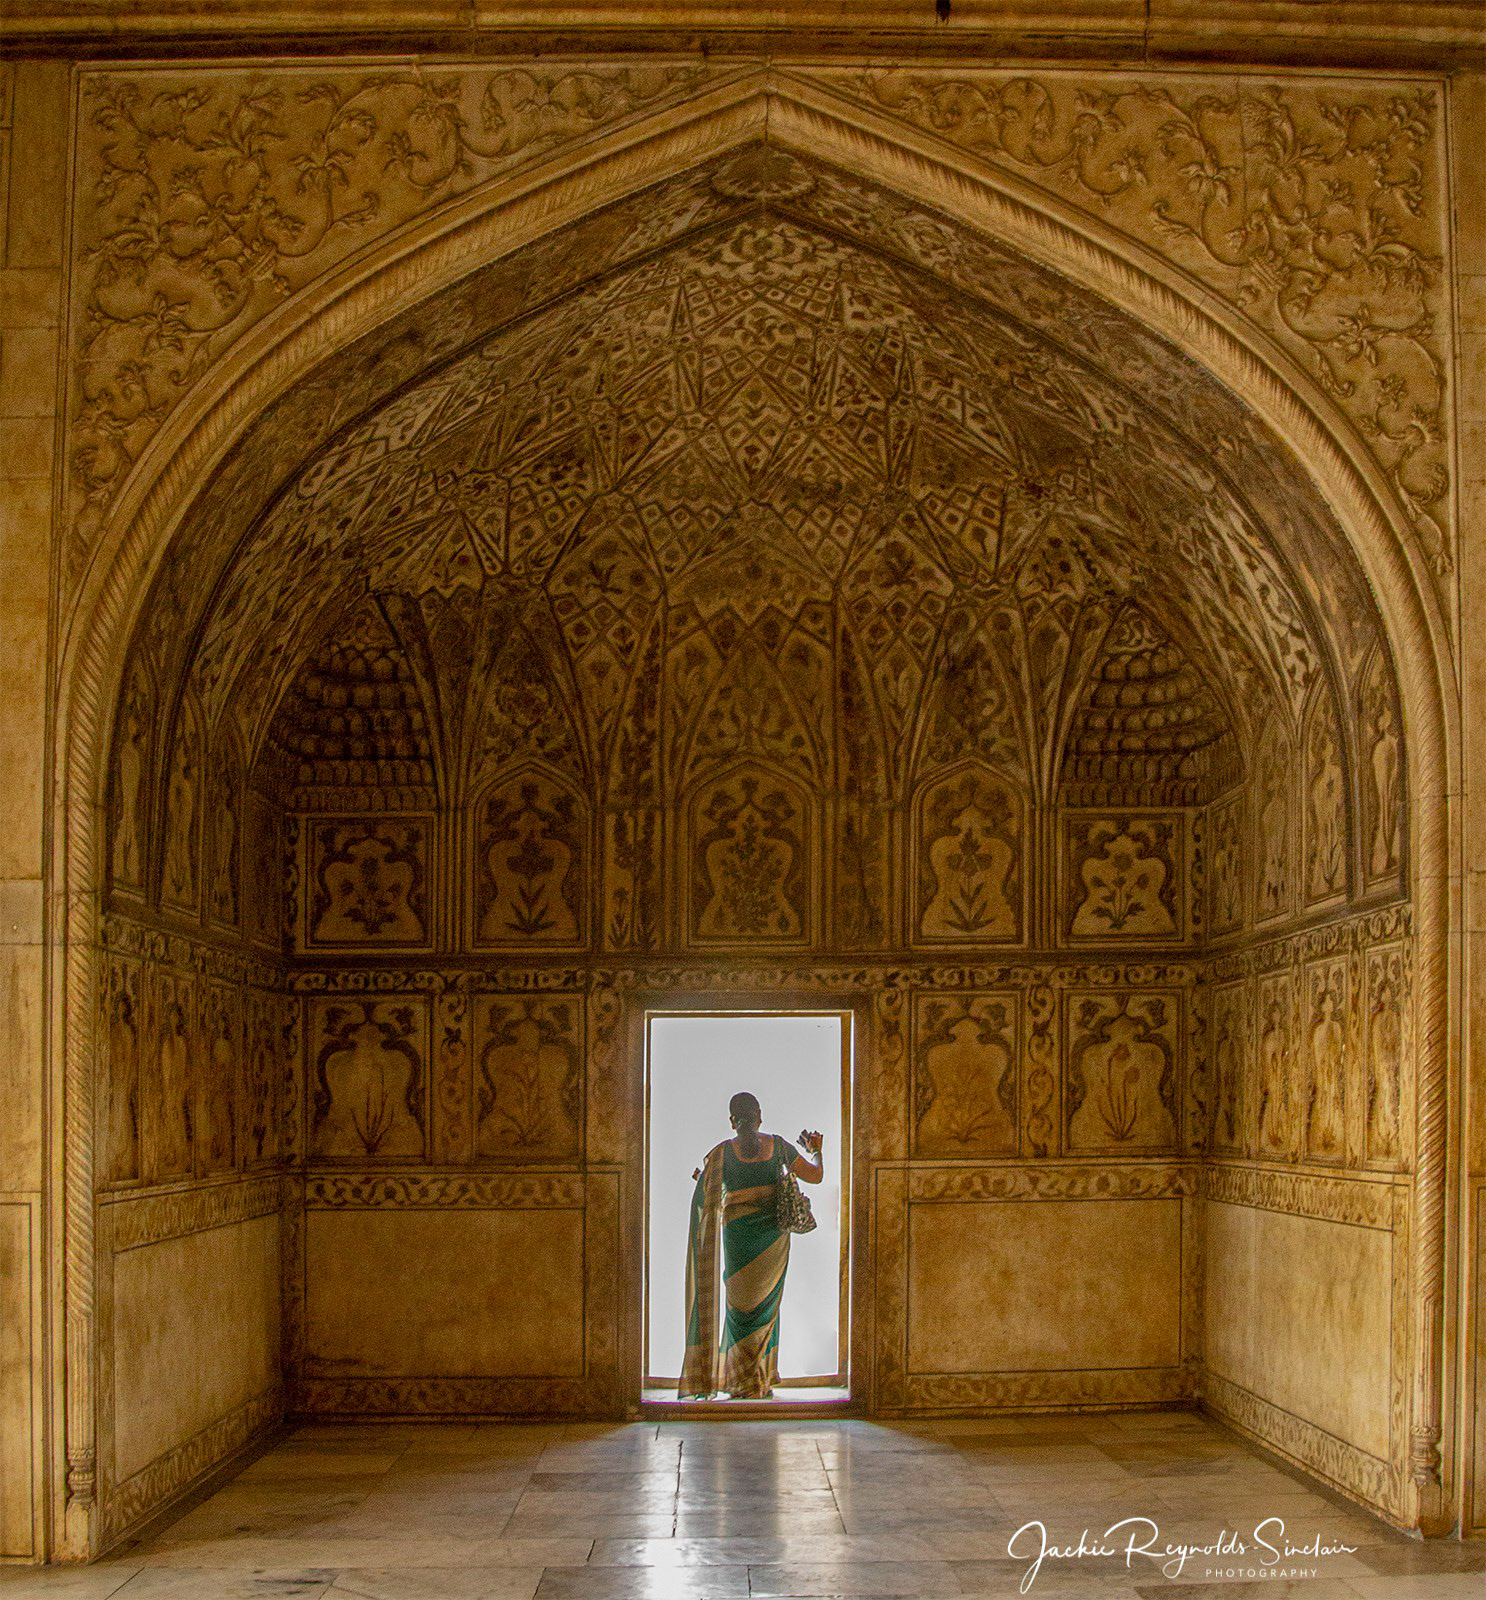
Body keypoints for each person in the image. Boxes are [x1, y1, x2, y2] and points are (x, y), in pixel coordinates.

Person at [679, 1091, 824, 1399]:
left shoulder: (721, 1154)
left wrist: (703, 1185)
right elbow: (816, 1176)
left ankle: (742, 1381)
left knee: (739, 1309)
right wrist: (816, 1151)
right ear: (760, 1115)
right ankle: (758, 1378)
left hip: (737, 1238)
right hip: (773, 1238)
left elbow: (706, 1195)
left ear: (732, 1122)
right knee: (766, 1306)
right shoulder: (780, 1146)